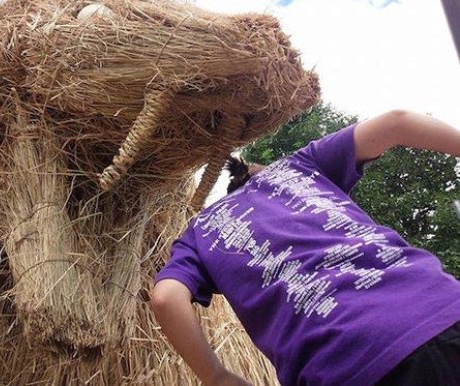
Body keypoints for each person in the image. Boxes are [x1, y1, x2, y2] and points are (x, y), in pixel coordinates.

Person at [151, 110, 460, 386]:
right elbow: (397, 122)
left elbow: (166, 298)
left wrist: (216, 377)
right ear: (263, 172)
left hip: (344, 365)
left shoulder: (199, 232)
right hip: (443, 308)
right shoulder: (300, 166)